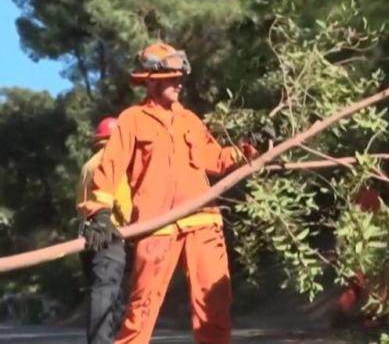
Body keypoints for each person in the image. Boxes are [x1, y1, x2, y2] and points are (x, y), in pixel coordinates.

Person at [78, 42, 262, 344]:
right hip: (157, 225)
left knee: (214, 311)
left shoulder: (189, 120)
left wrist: (247, 149)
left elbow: (215, 159)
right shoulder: (132, 120)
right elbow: (109, 166)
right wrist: (99, 211)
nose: (179, 83)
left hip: (203, 222)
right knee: (141, 313)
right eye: (172, 78)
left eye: (180, 77)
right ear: (151, 79)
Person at [77, 117, 133, 344]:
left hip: (87, 236)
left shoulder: (87, 165)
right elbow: (121, 200)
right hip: (109, 234)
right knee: (107, 290)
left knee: (102, 289)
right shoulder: (111, 161)